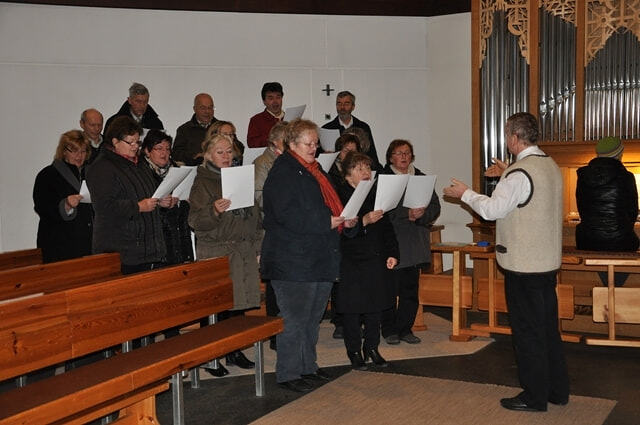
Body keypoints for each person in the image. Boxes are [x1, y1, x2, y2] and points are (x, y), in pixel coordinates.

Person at [443, 112, 569, 412]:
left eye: (506, 134)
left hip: (524, 266)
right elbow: (528, 195)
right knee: (548, 330)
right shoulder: (549, 165)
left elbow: (492, 211)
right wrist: (507, 172)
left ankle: (534, 396)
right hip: (546, 263)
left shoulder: (518, 174)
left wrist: (465, 194)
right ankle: (557, 390)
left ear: (513, 137)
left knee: (527, 332)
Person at [260, 118, 357, 393]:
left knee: (312, 319)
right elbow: (285, 215)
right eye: (308, 143)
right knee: (295, 319)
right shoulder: (283, 173)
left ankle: (307, 367)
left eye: (316, 143)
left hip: (317, 256)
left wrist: (344, 219)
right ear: (291, 144)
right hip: (292, 260)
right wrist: (326, 221)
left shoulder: (315, 170)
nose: (314, 148)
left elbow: (329, 204)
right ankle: (289, 373)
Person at [188, 134, 262, 375]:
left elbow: (255, 216)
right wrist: (214, 211)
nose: (226, 156)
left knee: (237, 307)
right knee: (216, 308)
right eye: (220, 152)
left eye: (229, 151)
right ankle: (210, 356)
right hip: (217, 252)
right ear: (208, 155)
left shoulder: (240, 178)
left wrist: (257, 247)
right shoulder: (202, 182)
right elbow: (195, 221)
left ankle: (233, 350)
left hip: (241, 251)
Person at [335, 151, 399, 369]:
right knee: (352, 308)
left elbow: (387, 229)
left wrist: (392, 254)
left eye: (367, 168)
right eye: (359, 168)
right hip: (350, 260)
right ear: (348, 175)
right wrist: (364, 221)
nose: (365, 172)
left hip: (375, 258)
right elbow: (340, 233)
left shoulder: (375, 194)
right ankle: (354, 350)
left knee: (375, 306)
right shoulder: (340, 195)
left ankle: (372, 347)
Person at [86, 116, 169, 275]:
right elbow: (104, 206)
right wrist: (138, 207)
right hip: (122, 253)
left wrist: (160, 201)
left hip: (148, 250)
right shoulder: (102, 167)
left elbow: (148, 194)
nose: (135, 147)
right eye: (130, 142)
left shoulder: (139, 163)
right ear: (115, 141)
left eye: (137, 142)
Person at [380, 139, 440, 345]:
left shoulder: (421, 178)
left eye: (407, 152)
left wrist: (422, 215)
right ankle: (389, 329)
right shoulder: (384, 179)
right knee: (389, 289)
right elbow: (381, 209)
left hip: (415, 242)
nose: (403, 156)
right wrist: (407, 214)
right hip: (393, 241)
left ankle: (405, 329)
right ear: (390, 158)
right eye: (398, 153)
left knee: (410, 290)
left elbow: (435, 206)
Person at [576, 136, 639, 286]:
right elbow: (632, 212)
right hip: (621, 242)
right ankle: (614, 293)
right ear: (620, 154)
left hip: (588, 241)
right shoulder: (626, 177)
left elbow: (581, 208)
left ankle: (606, 292)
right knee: (628, 249)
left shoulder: (583, 176)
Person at [33, 130, 93, 263]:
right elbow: (42, 207)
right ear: (64, 151)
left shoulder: (91, 174)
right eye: (74, 151)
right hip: (59, 245)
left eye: (83, 151)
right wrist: (66, 205)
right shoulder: (48, 175)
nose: (79, 155)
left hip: (88, 243)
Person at [254, 122, 287, 350]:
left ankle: (286, 330)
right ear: (275, 142)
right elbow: (258, 196)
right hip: (271, 229)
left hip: (286, 228)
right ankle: (275, 334)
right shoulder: (262, 163)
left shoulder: (288, 160)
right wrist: (285, 208)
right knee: (275, 284)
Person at [140, 129, 194, 265]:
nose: (164, 153)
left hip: (180, 234)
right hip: (155, 241)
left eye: (167, 149)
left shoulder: (177, 170)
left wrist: (185, 200)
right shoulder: (140, 174)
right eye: (159, 148)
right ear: (147, 151)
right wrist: (160, 204)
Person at [322, 91, 380, 170]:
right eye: (339, 103)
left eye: (346, 103)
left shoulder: (363, 127)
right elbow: (319, 158)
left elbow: (372, 154)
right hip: (335, 172)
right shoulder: (327, 128)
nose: (342, 107)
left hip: (359, 169)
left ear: (353, 107)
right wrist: (326, 156)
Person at [172, 93, 217, 166]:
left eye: (210, 107)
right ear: (194, 109)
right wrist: (194, 156)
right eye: (203, 108)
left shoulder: (222, 127)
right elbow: (176, 154)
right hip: (195, 170)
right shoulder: (184, 129)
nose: (207, 111)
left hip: (219, 169)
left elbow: (237, 148)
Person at [247, 82, 284, 148]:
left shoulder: (291, 119)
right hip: (268, 154)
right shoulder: (256, 120)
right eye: (271, 98)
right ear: (264, 101)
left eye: (278, 97)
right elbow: (251, 143)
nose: (275, 101)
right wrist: (273, 138)